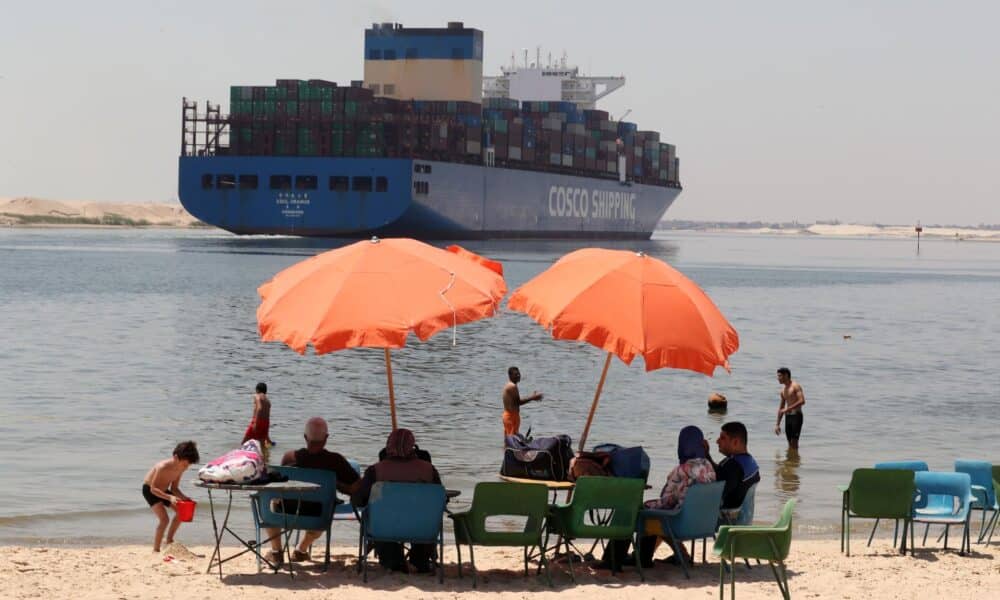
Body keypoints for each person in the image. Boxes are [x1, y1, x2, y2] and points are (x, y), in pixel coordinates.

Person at [600, 426, 716, 570]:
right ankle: (642, 558)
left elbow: (667, 501)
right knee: (649, 509)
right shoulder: (710, 468)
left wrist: (647, 505)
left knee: (631, 511)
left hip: (679, 523)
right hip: (700, 523)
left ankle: (613, 560)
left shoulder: (681, 470)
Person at [265, 417, 361, 564]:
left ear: (305, 437)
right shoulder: (336, 461)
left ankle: (277, 551)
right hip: (318, 516)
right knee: (324, 507)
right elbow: (357, 488)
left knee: (272, 501)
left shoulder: (289, 458)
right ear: (326, 438)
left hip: (286, 513)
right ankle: (301, 550)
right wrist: (337, 485)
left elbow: (280, 486)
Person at [352, 428, 442, 574]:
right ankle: (420, 559)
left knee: (378, 518)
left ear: (388, 446)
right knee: (426, 516)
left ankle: (393, 561)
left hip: (384, 529)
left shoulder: (375, 471)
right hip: (423, 528)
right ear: (413, 446)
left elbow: (358, 501)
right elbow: (440, 500)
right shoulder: (429, 470)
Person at [142, 441, 200, 552]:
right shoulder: (162, 467)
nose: (186, 467)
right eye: (184, 464)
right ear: (176, 457)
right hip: (150, 490)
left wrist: (186, 499)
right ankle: (156, 549)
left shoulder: (181, 468)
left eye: (188, 465)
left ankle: (169, 540)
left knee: (180, 512)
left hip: (164, 490)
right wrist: (170, 498)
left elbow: (174, 489)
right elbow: (153, 489)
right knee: (164, 520)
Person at [704, 422, 760, 510]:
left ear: (735, 442)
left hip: (728, 519)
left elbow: (714, 495)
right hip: (743, 517)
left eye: (722, 438)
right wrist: (707, 455)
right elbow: (719, 472)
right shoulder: (749, 461)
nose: (717, 441)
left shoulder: (732, 466)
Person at [502, 366, 543, 436]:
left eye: (519, 374)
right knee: (512, 440)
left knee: (510, 440)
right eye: (515, 374)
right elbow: (518, 402)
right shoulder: (512, 386)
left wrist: (532, 397)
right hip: (511, 417)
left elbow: (516, 402)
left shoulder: (511, 385)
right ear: (510, 376)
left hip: (511, 416)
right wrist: (533, 397)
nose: (518, 376)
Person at [774, 367, 806, 449]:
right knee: (789, 443)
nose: (778, 378)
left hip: (797, 416)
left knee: (794, 442)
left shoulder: (795, 386)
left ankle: (794, 460)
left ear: (786, 375)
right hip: (788, 417)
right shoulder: (783, 391)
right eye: (778, 376)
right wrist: (777, 424)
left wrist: (788, 409)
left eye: (780, 376)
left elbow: (802, 401)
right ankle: (792, 461)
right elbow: (781, 408)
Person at [242, 382, 274, 446]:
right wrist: (267, 436)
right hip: (266, 422)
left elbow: (259, 408)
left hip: (258, 421)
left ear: (257, 390)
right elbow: (267, 415)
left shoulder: (257, 395)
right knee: (262, 445)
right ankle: (264, 454)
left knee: (244, 443)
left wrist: (255, 423)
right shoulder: (268, 401)